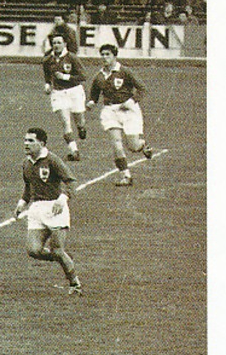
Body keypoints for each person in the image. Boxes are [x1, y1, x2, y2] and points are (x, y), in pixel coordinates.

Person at [14, 128, 82, 293]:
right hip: (36, 209)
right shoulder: (26, 163)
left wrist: (62, 199)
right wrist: (22, 203)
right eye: (25, 140)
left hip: (55, 209)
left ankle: (75, 284)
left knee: (57, 250)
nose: (26, 144)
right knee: (33, 250)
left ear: (42, 143)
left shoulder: (52, 160)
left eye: (31, 141)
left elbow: (71, 181)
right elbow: (29, 186)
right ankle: (65, 259)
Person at [87, 44, 154, 186]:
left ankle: (143, 146)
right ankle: (126, 176)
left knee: (133, 146)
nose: (104, 57)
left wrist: (131, 101)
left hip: (129, 111)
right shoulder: (99, 76)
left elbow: (142, 89)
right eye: (102, 54)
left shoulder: (124, 72)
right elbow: (94, 94)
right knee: (116, 144)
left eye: (107, 54)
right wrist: (91, 102)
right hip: (110, 112)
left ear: (114, 56)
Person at [41, 32, 88, 161]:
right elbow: (47, 75)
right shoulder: (47, 60)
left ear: (65, 44)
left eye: (59, 43)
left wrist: (65, 77)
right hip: (59, 93)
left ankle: (81, 128)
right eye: (54, 43)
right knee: (66, 123)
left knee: (80, 120)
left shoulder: (72, 58)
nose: (56, 45)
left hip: (74, 91)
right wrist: (47, 85)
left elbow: (83, 76)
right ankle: (74, 151)